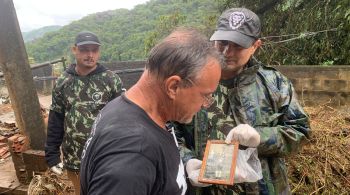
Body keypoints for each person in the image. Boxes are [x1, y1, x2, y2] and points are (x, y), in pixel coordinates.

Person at [176, 8, 311, 195]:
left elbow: (300, 131)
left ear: (256, 45)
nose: (227, 51)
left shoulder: (274, 83)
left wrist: (260, 137)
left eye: (238, 45)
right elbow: (170, 131)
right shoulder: (191, 81)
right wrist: (187, 160)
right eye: (222, 42)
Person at [79, 28, 225, 195]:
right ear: (173, 86)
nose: (205, 104)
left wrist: (184, 166)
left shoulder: (126, 110)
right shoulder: (133, 154)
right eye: (205, 95)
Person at [45, 31, 123, 195]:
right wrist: (52, 154)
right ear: (75, 50)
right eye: (85, 50)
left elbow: (124, 119)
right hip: (74, 157)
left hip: (104, 155)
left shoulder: (111, 80)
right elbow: (56, 118)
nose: (90, 55)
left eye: (94, 50)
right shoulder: (63, 82)